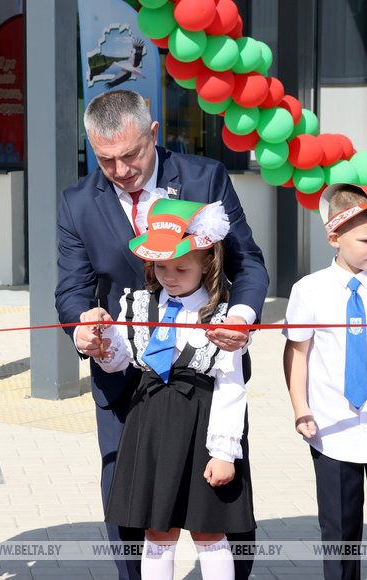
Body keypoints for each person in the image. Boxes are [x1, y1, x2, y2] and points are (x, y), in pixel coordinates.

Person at [55, 89, 268, 579]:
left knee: (218, 498)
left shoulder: (203, 177)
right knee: (131, 503)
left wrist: (239, 318)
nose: (120, 170)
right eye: (105, 160)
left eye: (130, 155)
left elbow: (248, 264)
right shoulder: (77, 202)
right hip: (123, 377)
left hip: (203, 379)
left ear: (153, 134)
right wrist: (83, 327)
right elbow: (71, 289)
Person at [93, 198, 255, 580]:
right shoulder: (137, 306)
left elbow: (232, 386)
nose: (169, 276)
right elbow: (121, 360)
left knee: (208, 530)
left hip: (201, 429)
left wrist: (224, 453)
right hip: (149, 426)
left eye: (182, 268)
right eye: (161, 266)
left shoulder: (224, 316)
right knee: (157, 530)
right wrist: (103, 345)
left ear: (207, 263)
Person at [283, 183, 367, 580]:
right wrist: (301, 409)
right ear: (334, 237)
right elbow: (298, 353)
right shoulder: (308, 290)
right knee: (339, 531)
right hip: (332, 427)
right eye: (366, 240)